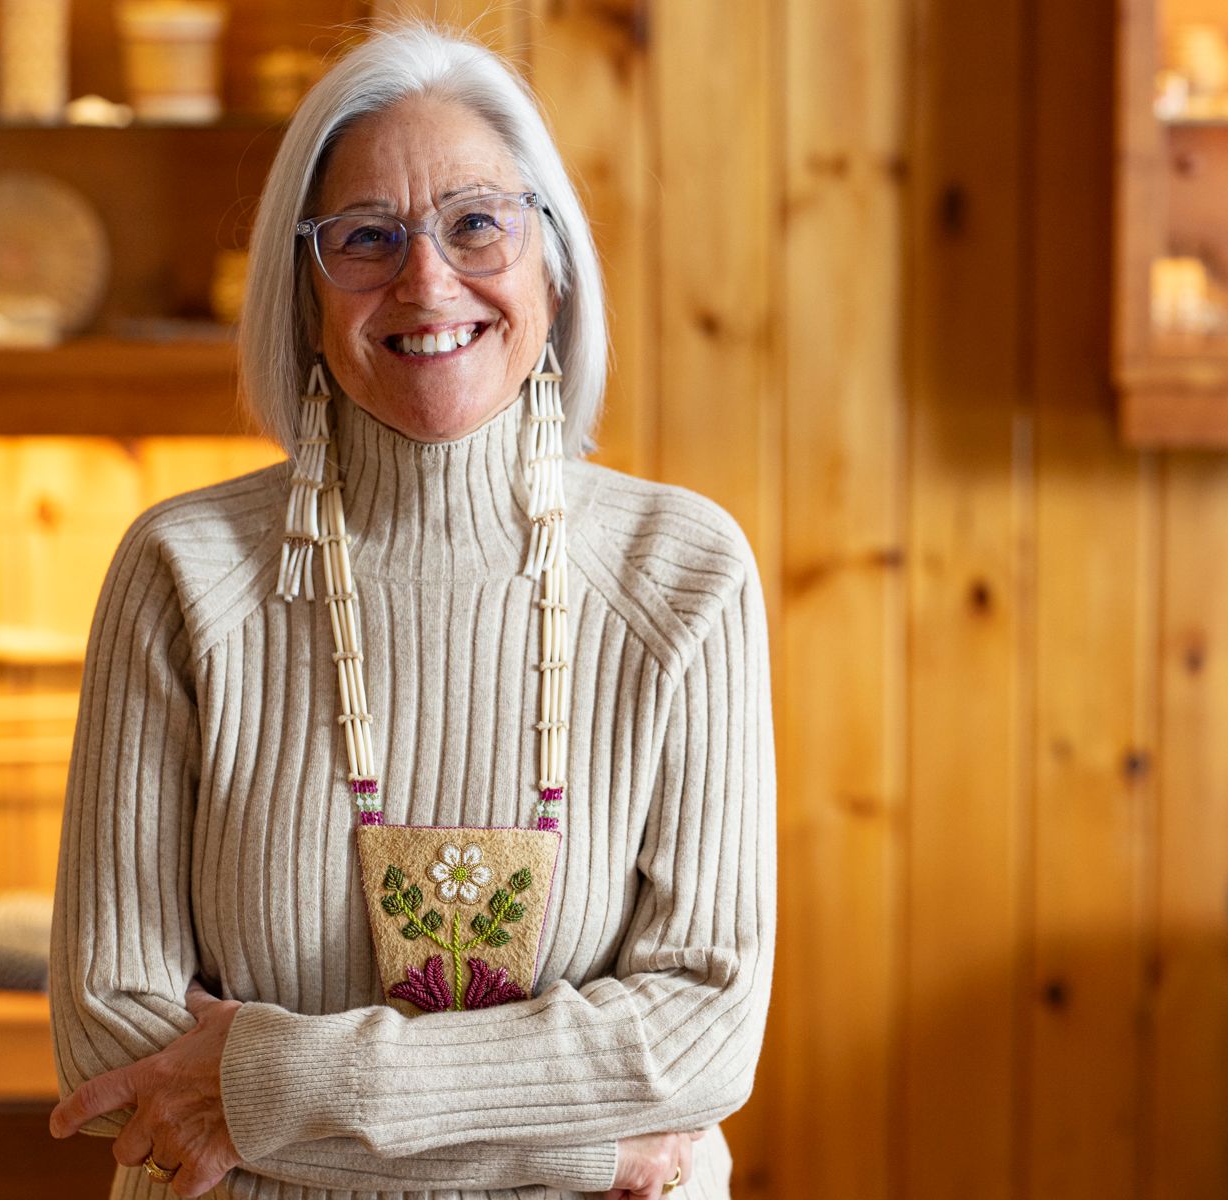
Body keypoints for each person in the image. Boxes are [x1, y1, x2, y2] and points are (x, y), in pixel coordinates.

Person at [46, 23, 775, 1200]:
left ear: (555, 262)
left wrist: (268, 1087)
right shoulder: (181, 575)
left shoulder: (682, 573)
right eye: (367, 239)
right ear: (305, 291)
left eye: (477, 222)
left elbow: (702, 1032)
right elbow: (114, 1044)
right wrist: (591, 1138)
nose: (428, 281)